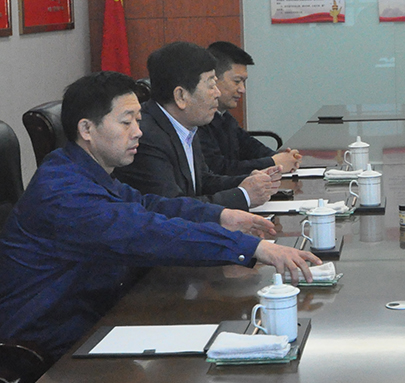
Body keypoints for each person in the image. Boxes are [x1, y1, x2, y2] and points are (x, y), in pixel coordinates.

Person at [0, 72, 319, 360]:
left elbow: (149, 206)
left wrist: (222, 216)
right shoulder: (63, 191)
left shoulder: (83, 170)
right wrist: (251, 248)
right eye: (126, 122)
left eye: (138, 120)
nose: (138, 132)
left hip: (95, 313)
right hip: (44, 344)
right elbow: (146, 231)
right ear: (87, 129)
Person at [115, 42, 278, 209]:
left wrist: (248, 181)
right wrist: (242, 195)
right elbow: (172, 207)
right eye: (211, 85)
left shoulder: (185, 125)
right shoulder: (146, 138)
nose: (217, 93)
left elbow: (203, 181)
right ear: (181, 96)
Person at [202, 41, 301, 176]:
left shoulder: (224, 116)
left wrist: (283, 158)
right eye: (237, 81)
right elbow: (220, 169)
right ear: (213, 80)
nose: (242, 89)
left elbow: (250, 147)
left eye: (244, 82)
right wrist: (273, 162)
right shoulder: (198, 121)